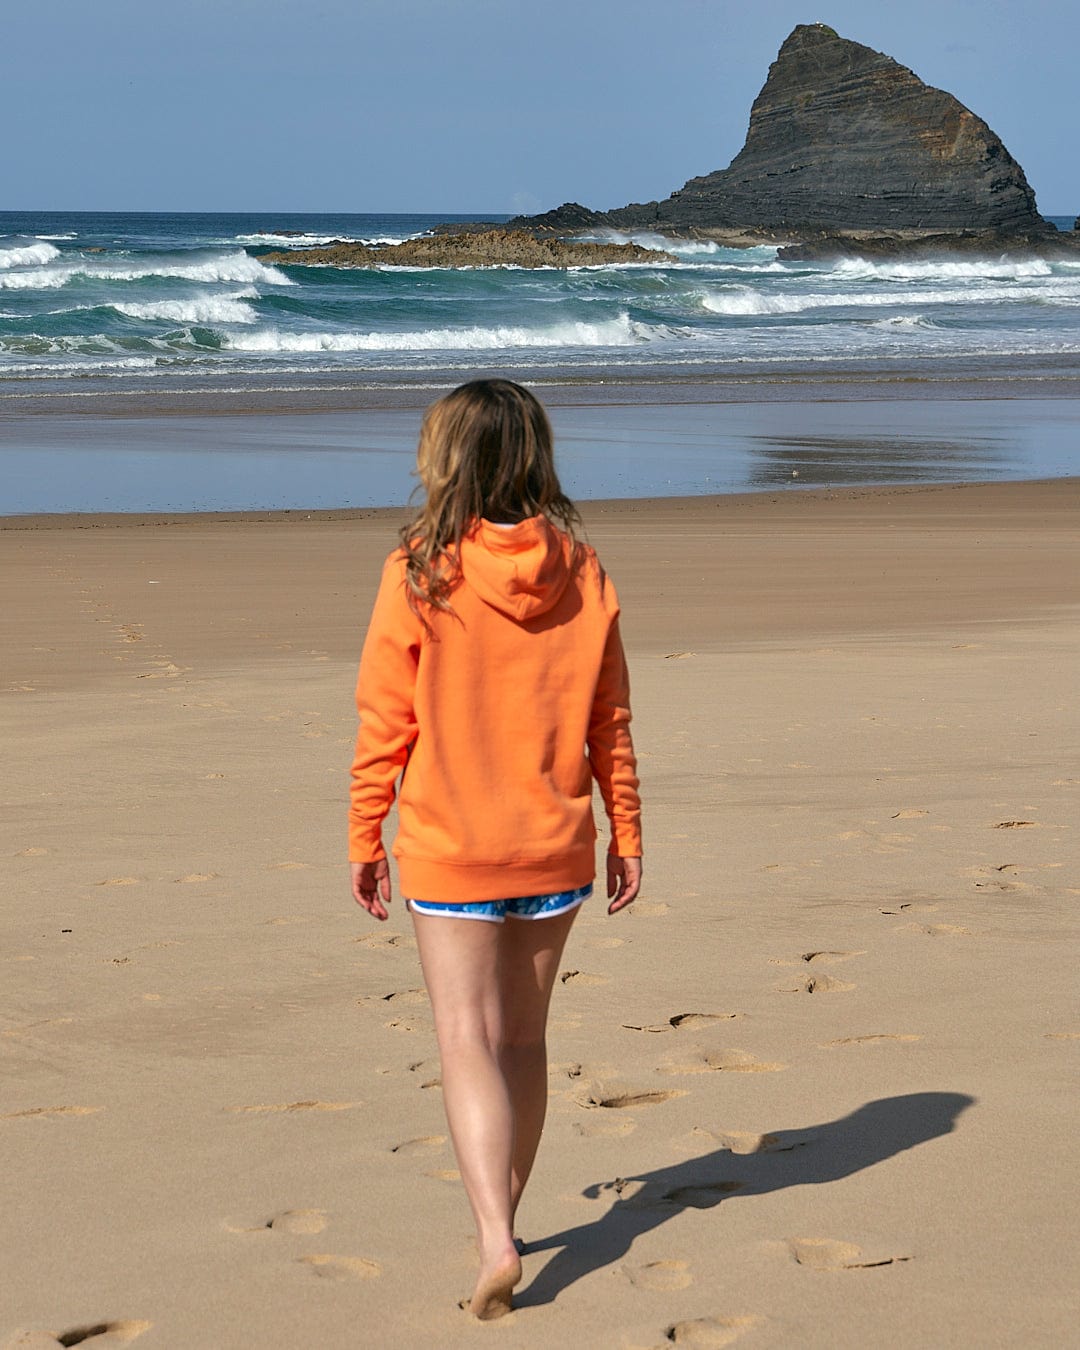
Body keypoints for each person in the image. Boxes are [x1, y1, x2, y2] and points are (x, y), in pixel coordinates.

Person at [348, 378, 642, 1320]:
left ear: (447, 459)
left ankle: (491, 1236)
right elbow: (612, 724)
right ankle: (503, 1217)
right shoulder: (585, 571)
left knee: (465, 1040)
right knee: (522, 1039)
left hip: (452, 845)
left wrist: (364, 833)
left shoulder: (419, 572)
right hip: (554, 846)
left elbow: (383, 724)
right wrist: (626, 830)